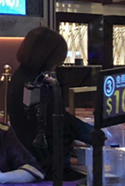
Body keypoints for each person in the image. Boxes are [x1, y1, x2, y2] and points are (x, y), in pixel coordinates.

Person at [6, 27, 92, 178]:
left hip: (32, 154)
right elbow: (58, 120)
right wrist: (92, 133)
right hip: (47, 162)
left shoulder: (23, 75)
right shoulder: (38, 82)